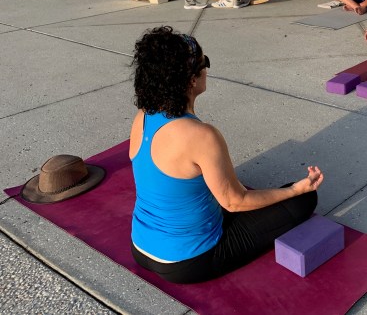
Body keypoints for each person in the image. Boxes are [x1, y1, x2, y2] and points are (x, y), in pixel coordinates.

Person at [129, 26, 323, 284]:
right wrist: (295, 190)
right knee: (303, 200)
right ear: (192, 79)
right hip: (188, 262)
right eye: (205, 63)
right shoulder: (202, 136)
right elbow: (234, 202)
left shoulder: (143, 116)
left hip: (140, 246)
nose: (207, 70)